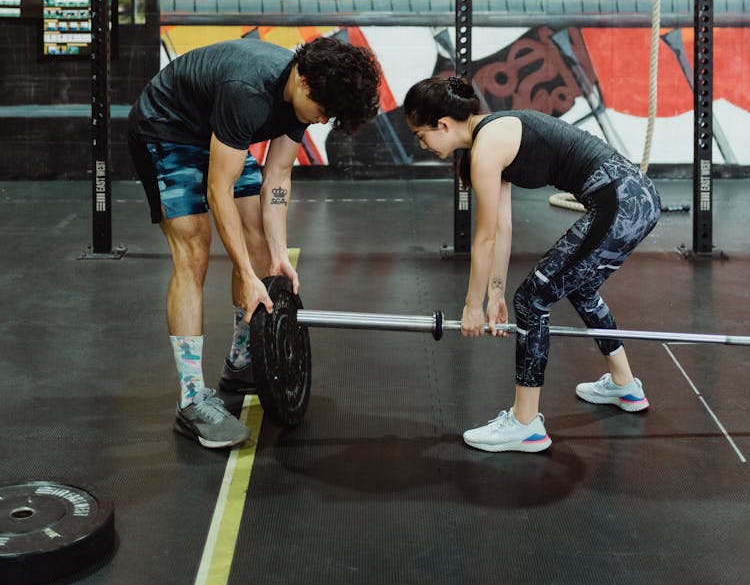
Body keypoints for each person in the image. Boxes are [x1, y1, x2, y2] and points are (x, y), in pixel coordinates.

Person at [128, 34, 381, 449]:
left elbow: (278, 177)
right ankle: (191, 401)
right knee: (195, 252)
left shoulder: (305, 89)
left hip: (216, 130)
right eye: (322, 112)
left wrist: (278, 254)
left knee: (262, 247)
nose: (321, 121)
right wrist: (245, 273)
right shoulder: (248, 91)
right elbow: (218, 191)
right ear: (303, 85)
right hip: (166, 128)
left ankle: (240, 363)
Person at [403, 75, 661, 454]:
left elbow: (485, 238)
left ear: (442, 124)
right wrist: (494, 295)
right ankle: (624, 383)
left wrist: (472, 306)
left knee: (532, 300)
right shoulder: (491, 136)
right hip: (638, 199)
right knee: (578, 288)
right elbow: (502, 229)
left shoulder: (487, 146)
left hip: (620, 202)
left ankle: (525, 424)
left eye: (421, 135)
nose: (422, 143)